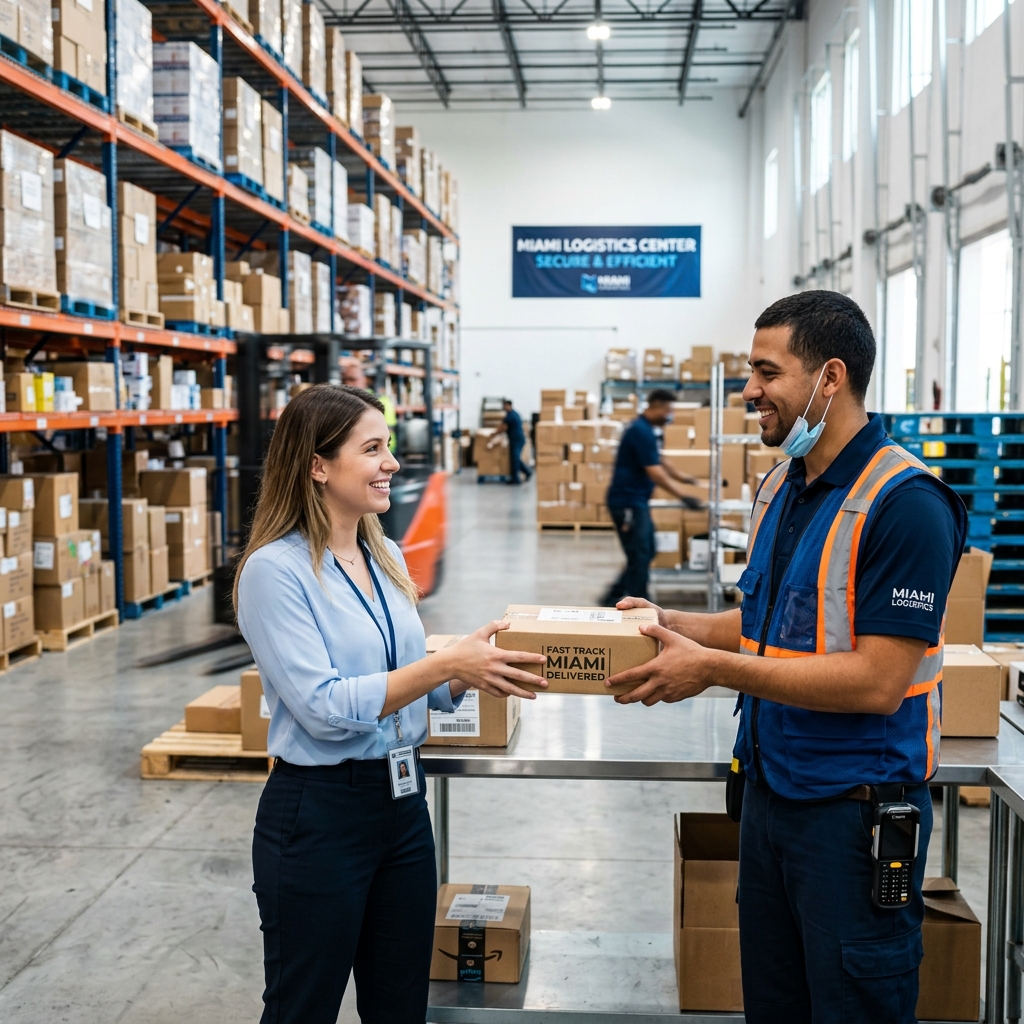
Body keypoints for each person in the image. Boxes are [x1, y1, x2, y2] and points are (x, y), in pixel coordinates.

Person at [605, 291, 966, 1024]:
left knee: (851, 1006)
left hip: (851, 819)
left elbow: (877, 681)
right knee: (773, 1005)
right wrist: (672, 622)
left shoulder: (906, 504)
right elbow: (769, 623)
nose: (749, 391)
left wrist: (710, 670)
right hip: (769, 798)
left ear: (830, 378)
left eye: (767, 373)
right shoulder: (784, 487)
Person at [234, 384, 547, 1024]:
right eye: (373, 448)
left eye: (389, 447)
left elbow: (401, 676)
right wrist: (444, 663)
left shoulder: (383, 554)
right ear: (318, 466)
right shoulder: (275, 571)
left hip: (403, 805)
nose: (392, 463)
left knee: (400, 1003)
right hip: (321, 814)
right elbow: (322, 706)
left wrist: (471, 672)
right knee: (303, 1007)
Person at [601, 388, 700, 604]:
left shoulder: (649, 430)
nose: (670, 415)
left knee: (646, 550)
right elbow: (655, 472)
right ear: (655, 406)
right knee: (640, 553)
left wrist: (687, 479)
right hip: (627, 502)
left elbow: (661, 460)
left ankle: (613, 595)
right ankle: (639, 601)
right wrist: (683, 496)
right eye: (667, 410)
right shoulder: (640, 431)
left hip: (637, 501)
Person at [341, 360, 398, 452]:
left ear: (365, 379)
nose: (347, 384)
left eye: (353, 379)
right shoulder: (341, 402)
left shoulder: (380, 401)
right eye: (344, 380)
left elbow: (388, 435)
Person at [492, 398, 531, 484]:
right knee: (515, 458)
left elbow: (503, 427)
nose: (504, 407)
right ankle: (527, 472)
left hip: (517, 439)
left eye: (505, 406)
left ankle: (516, 479)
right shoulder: (514, 414)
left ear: (509, 405)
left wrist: (494, 434)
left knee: (515, 459)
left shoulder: (510, 416)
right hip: (517, 439)